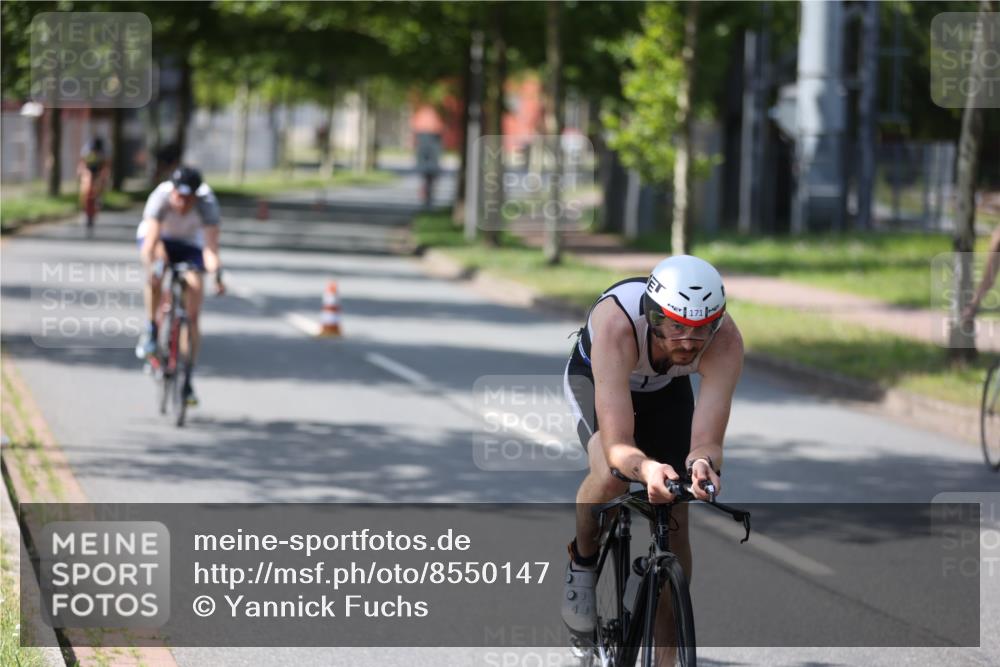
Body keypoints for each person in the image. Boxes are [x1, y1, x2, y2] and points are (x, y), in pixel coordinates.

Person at [561, 255, 744, 663]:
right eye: (675, 326)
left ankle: (665, 657)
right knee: (612, 475)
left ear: (716, 322)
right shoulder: (618, 326)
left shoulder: (725, 340)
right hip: (599, 379)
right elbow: (619, 447)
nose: (687, 342)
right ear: (652, 314)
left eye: (701, 330)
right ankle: (583, 564)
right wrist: (646, 468)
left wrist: (700, 464)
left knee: (676, 511)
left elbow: (708, 442)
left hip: (665, 390)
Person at [135, 166, 225, 407]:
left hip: (191, 245)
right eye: (179, 196)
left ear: (196, 196)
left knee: (194, 305)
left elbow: (210, 250)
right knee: (157, 270)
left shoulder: (208, 204)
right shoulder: (160, 197)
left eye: (188, 198)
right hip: (161, 240)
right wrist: (153, 269)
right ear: (172, 191)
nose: (182, 203)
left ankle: (187, 377)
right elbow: (150, 242)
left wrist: (217, 275)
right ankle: (152, 328)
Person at [77, 137, 110, 231]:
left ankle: (98, 198)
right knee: (86, 188)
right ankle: (84, 205)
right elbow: (82, 164)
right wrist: (80, 172)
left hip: (98, 171)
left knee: (99, 186)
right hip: (88, 169)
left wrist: (104, 178)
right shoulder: (86, 151)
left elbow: (105, 167)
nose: (95, 152)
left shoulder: (103, 153)